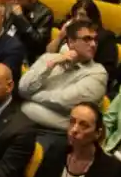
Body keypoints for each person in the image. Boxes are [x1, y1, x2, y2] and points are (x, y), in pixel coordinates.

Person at [18, 21, 108, 150]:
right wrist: (50, 66)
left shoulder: (98, 73)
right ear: (71, 42)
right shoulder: (49, 58)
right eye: (87, 39)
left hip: (54, 133)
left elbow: (65, 101)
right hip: (23, 121)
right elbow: (23, 88)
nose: (93, 44)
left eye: (95, 40)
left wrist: (31, 96)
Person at [45, 0, 119, 82]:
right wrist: (60, 36)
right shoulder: (71, 31)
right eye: (75, 15)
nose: (77, 18)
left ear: (92, 17)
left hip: (82, 80)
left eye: (82, 15)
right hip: (57, 73)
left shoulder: (105, 37)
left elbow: (108, 71)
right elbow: (48, 53)